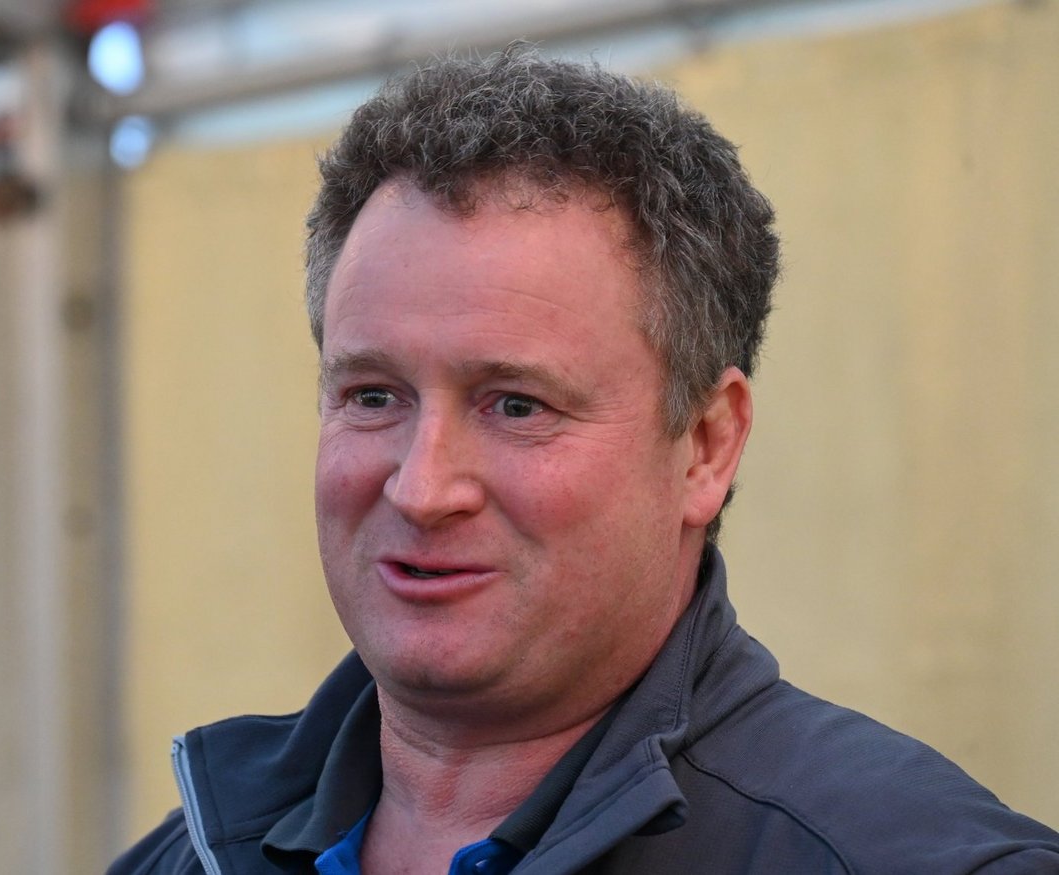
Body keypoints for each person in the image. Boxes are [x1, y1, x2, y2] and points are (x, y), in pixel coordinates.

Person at [109, 47, 1059, 874]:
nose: (423, 487)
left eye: (517, 405)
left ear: (707, 445)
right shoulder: (189, 855)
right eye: (373, 396)